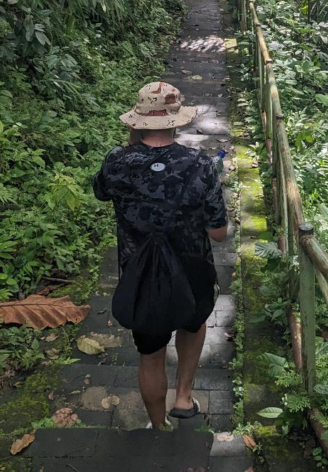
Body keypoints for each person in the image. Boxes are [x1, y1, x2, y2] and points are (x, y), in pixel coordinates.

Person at [93, 81, 228, 429]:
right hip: (192, 269)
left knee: (150, 355)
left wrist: (130, 148)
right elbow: (218, 232)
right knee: (192, 323)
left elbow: (101, 192)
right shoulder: (200, 164)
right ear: (176, 120)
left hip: (140, 274)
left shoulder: (116, 161)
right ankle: (183, 396)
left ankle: (158, 426)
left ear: (137, 119)